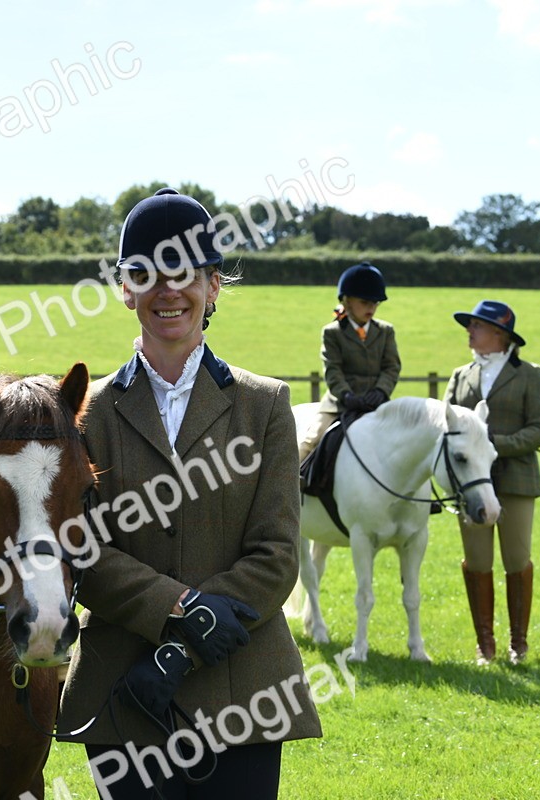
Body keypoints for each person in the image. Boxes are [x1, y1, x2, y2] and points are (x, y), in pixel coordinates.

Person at [57, 189, 321, 799]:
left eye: (183, 273)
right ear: (126, 290)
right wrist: (180, 607)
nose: (167, 290)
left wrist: (177, 654)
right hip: (122, 688)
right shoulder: (86, 412)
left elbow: (277, 554)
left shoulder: (266, 405)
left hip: (243, 688)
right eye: (146, 274)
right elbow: (81, 548)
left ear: (213, 285)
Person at [446, 300, 540, 665]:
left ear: (500, 334)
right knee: (477, 560)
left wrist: (495, 445)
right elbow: (445, 425)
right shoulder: (461, 375)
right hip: (470, 485)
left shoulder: (530, 375)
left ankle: (518, 644)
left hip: (516, 478)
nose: (469, 331)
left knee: (516, 559)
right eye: (470, 325)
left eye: (477, 326)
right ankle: (485, 645)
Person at [298, 261, 401, 462]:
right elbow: (333, 369)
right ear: (347, 301)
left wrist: (381, 391)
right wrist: (346, 395)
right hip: (340, 403)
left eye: (375, 303)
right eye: (364, 302)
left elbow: (392, 367)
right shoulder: (332, 332)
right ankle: (289, 478)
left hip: (376, 402)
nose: (371, 307)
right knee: (311, 440)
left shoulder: (386, 331)